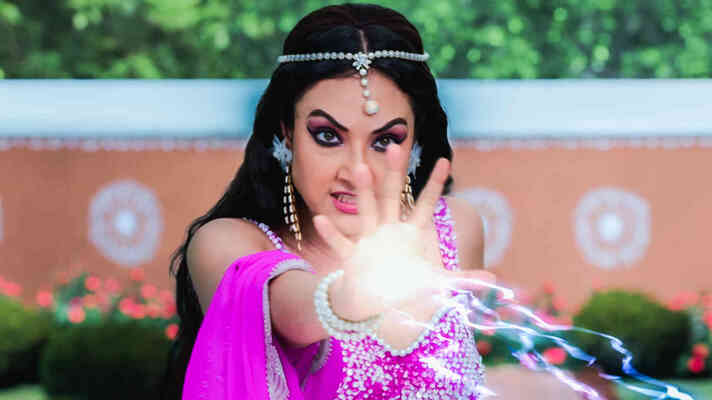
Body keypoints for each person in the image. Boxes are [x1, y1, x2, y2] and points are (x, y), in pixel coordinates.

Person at [165, 4, 494, 399]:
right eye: (328, 136)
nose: (357, 170)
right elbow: (292, 315)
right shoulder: (226, 243)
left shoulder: (455, 226)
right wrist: (349, 297)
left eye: (385, 140)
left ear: (416, 143)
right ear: (287, 135)